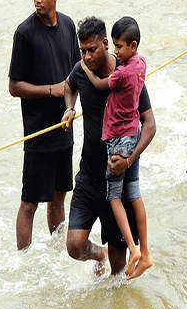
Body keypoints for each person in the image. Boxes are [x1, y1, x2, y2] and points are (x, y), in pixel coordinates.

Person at [61, 16, 157, 279]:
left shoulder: (126, 75)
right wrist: (69, 108)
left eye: (92, 50)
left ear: (106, 44)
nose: (87, 57)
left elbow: (149, 125)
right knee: (74, 245)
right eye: (83, 51)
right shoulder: (81, 70)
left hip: (117, 177)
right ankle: (98, 254)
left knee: (118, 269)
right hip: (89, 175)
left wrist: (129, 160)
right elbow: (69, 86)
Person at [7, 0, 78, 250]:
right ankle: (22, 261)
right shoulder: (24, 33)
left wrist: (71, 105)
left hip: (64, 127)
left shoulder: (69, 26)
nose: (38, 0)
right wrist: (51, 90)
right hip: (37, 131)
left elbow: (76, 74)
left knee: (59, 195)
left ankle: (57, 250)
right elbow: (14, 86)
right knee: (29, 202)